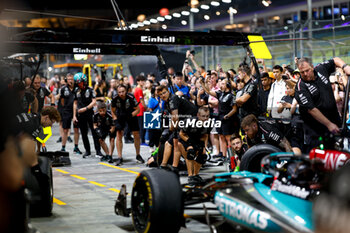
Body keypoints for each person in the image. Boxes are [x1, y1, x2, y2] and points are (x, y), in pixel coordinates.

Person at [294, 57, 350, 151]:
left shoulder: (320, 69)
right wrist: (329, 124)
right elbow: (312, 109)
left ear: (312, 67)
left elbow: (335, 60)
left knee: (341, 152)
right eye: (302, 72)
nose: (305, 74)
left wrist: (345, 66)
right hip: (316, 129)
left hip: (335, 120)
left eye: (307, 70)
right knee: (320, 156)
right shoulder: (301, 87)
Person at [157, 85, 198, 170]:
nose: (163, 95)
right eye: (161, 94)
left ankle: (191, 167)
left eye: (164, 93)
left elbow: (175, 117)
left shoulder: (173, 99)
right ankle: (165, 166)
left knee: (179, 144)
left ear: (168, 92)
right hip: (184, 121)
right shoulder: (168, 101)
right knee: (170, 143)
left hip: (191, 121)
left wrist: (171, 129)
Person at [201, 77, 239, 159]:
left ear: (227, 85)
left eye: (222, 83)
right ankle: (224, 155)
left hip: (228, 119)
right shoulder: (220, 93)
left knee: (228, 138)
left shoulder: (231, 96)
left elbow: (235, 109)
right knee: (221, 136)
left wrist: (227, 116)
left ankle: (233, 157)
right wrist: (202, 84)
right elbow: (208, 91)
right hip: (220, 117)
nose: (220, 85)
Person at [111, 84, 145, 166]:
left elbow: (138, 109)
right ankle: (119, 157)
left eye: (123, 91)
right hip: (120, 116)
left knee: (136, 134)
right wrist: (115, 120)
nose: (121, 93)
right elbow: (113, 111)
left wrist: (130, 115)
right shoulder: (115, 98)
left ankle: (138, 155)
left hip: (131, 115)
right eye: (119, 92)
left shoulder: (131, 97)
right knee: (119, 135)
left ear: (126, 91)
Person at [178, 106, 210, 185]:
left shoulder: (209, 123)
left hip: (197, 139)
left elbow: (205, 135)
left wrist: (204, 148)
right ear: (198, 115)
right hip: (185, 138)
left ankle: (195, 175)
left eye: (207, 116)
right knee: (191, 152)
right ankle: (190, 176)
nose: (205, 118)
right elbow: (181, 134)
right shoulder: (190, 121)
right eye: (203, 116)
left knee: (203, 156)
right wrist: (190, 143)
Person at [73, 72, 101, 158]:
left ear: (84, 81)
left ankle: (98, 151)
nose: (78, 84)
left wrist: (86, 108)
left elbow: (94, 101)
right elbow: (75, 103)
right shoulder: (76, 90)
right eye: (77, 82)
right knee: (84, 133)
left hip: (90, 113)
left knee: (94, 132)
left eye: (80, 82)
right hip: (80, 115)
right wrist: (74, 116)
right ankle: (87, 151)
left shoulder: (90, 89)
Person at [60, 73, 82, 154]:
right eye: (68, 79)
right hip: (67, 111)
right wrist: (65, 108)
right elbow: (62, 101)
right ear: (66, 80)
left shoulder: (78, 88)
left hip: (76, 111)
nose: (70, 81)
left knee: (76, 129)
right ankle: (63, 147)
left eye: (71, 79)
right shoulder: (63, 89)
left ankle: (76, 147)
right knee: (65, 130)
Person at [134, 75, 147, 145]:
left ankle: (141, 140)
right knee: (142, 126)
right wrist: (146, 107)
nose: (143, 82)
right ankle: (142, 141)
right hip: (141, 109)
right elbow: (141, 100)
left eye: (143, 81)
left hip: (138, 108)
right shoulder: (139, 89)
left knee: (140, 125)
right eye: (141, 81)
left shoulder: (137, 89)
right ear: (138, 82)